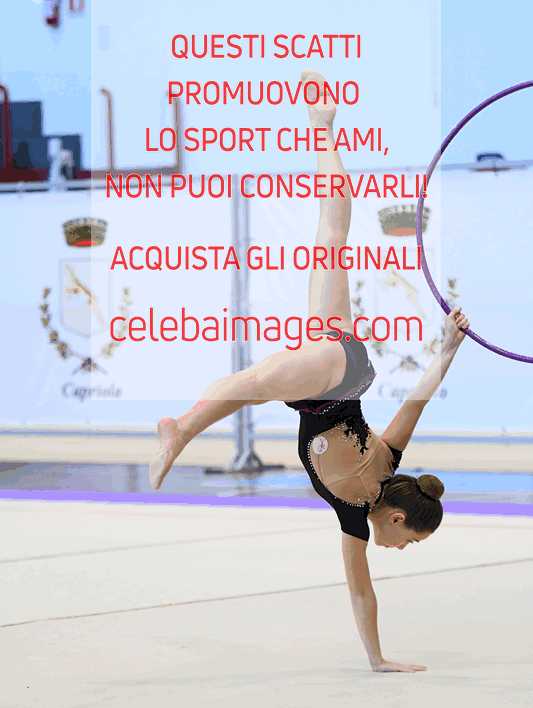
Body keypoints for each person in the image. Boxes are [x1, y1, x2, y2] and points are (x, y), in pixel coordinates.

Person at [149, 72, 469, 673]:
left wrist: (377, 660)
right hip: (339, 376)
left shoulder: (354, 520)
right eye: (409, 541)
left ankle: (322, 125)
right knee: (253, 384)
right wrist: (448, 348)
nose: (400, 549)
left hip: (319, 383)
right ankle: (182, 429)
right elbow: (418, 401)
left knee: (332, 231)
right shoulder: (388, 461)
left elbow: (360, 593)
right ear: (398, 518)